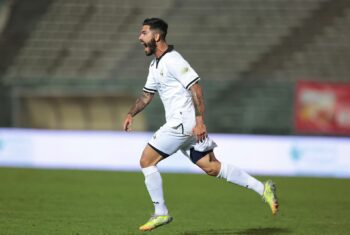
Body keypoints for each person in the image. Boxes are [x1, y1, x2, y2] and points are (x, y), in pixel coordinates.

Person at [123, 17, 279, 232]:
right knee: (212, 168)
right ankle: (263, 189)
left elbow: (195, 88)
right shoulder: (155, 64)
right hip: (186, 128)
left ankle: (161, 213)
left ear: (156, 36)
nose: (140, 38)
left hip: (182, 123)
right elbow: (146, 96)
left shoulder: (173, 60)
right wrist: (131, 113)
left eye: (144, 33)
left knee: (146, 161)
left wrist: (199, 121)